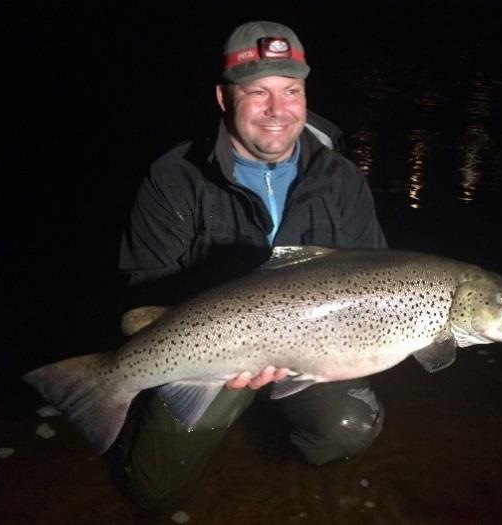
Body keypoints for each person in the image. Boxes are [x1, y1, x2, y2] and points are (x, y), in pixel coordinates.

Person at [114, 20, 388, 515]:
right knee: (152, 492)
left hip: (315, 349)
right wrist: (225, 350)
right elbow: (144, 288)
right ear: (224, 98)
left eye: (291, 90)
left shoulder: (342, 178)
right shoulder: (173, 177)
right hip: (213, 353)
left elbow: (378, 276)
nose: (278, 111)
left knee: (347, 426)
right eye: (257, 91)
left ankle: (270, 448)